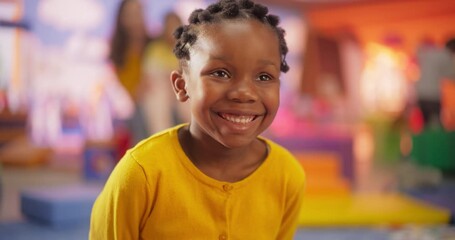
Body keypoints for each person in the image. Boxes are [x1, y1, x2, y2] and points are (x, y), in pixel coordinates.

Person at [89, 0, 306, 239]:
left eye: (264, 76)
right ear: (182, 86)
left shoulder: (287, 176)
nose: (244, 93)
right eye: (220, 73)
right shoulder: (140, 175)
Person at [109, 0, 151, 144]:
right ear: (122, 18)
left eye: (139, 12)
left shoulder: (155, 45)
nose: (136, 18)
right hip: (136, 108)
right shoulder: (119, 53)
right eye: (131, 14)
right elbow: (129, 92)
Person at [141, 11, 190, 135]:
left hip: (182, 89)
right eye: (169, 26)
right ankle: (162, 137)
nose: (172, 31)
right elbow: (148, 76)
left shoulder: (186, 49)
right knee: (156, 97)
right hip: (161, 90)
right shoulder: (155, 48)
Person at [415, 38, 455, 128]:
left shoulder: (431, 53)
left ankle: (426, 140)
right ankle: (434, 141)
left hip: (420, 93)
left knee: (426, 123)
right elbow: (451, 75)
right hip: (432, 95)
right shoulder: (446, 56)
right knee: (435, 124)